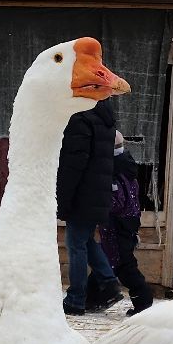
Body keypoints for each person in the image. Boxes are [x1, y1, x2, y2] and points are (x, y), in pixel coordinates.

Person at [58, 96, 123, 315]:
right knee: (85, 240)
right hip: (97, 193)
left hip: (82, 194)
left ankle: (76, 299)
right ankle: (108, 282)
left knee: (76, 244)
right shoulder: (104, 119)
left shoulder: (81, 118)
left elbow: (74, 164)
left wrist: (63, 197)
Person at [90, 129, 155, 315]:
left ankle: (144, 303)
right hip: (125, 221)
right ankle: (92, 297)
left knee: (123, 265)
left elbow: (116, 202)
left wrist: (98, 204)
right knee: (106, 260)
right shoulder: (125, 164)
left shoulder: (114, 169)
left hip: (118, 223)